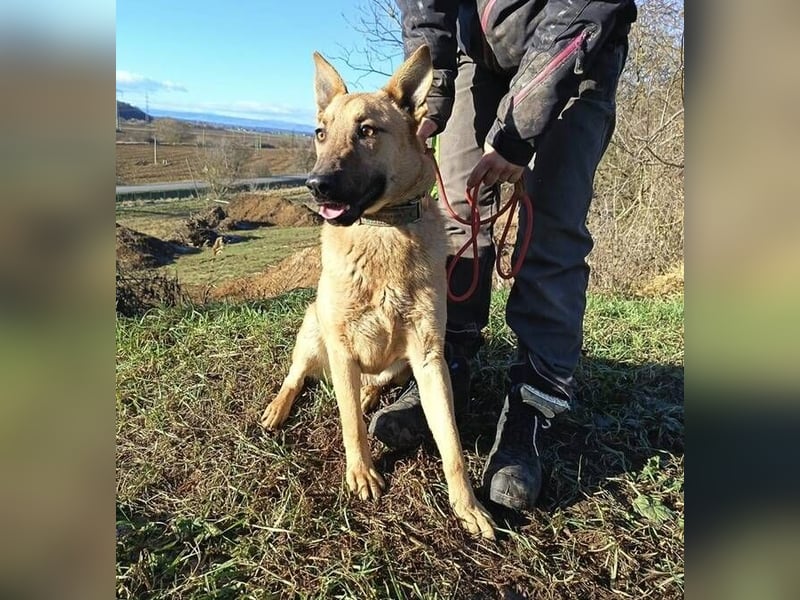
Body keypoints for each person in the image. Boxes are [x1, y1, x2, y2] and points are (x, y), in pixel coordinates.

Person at [368, 0, 638, 510]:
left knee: (551, 231)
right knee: (455, 214)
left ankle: (532, 405)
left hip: (580, 50)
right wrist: (434, 93)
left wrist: (516, 137)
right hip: (481, 50)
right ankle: (448, 365)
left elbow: (582, 11)